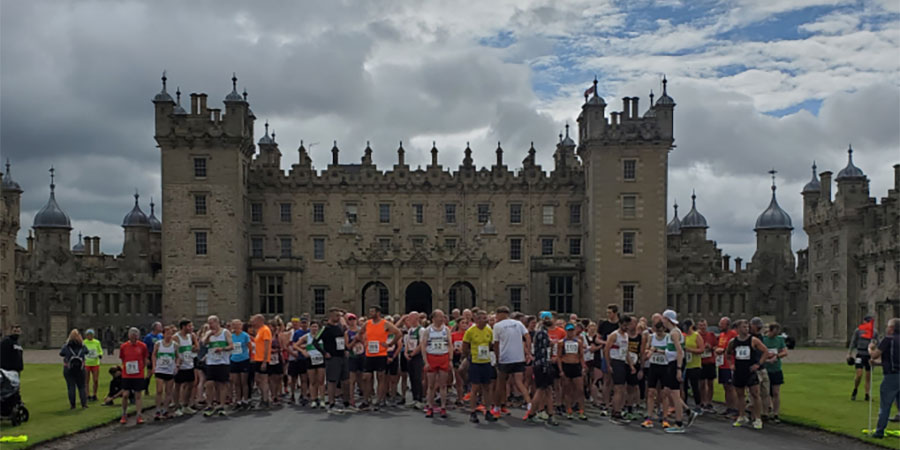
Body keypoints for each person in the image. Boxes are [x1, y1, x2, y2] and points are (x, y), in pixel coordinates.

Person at [726, 319, 770, 429]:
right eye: (743, 327)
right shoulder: (733, 341)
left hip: (750, 371)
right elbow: (728, 354)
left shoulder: (753, 340)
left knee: (755, 394)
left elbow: (765, 351)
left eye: (747, 327)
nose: (746, 329)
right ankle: (742, 416)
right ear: (738, 329)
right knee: (740, 395)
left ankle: (758, 418)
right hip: (739, 371)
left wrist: (758, 364)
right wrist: (731, 364)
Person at [357, 306, 402, 410]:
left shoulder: (385, 323)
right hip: (369, 354)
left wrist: (390, 344)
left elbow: (398, 333)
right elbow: (360, 333)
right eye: (370, 311)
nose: (370, 313)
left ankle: (380, 400)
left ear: (378, 313)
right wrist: (364, 342)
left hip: (381, 354)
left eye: (372, 311)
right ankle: (366, 399)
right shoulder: (367, 323)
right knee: (366, 377)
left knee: (381, 377)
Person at [492, 306, 533, 419]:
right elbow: (527, 336)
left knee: (500, 383)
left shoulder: (497, 326)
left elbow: (496, 343)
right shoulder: (518, 324)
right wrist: (528, 352)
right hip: (518, 358)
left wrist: (497, 357)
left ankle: (496, 408)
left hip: (505, 358)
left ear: (500, 314)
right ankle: (530, 405)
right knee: (519, 382)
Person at [313, 308, 351, 413]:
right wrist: (324, 353)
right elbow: (315, 342)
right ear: (331, 316)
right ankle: (331, 403)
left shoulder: (339, 327)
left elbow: (343, 340)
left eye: (339, 316)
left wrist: (346, 350)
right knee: (332, 381)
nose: (339, 318)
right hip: (332, 357)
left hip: (342, 356)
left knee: (346, 380)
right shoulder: (325, 329)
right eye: (336, 316)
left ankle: (346, 402)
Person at [462, 309, 496, 423]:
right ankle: (473, 411)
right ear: (477, 319)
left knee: (487, 387)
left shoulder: (489, 330)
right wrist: (468, 357)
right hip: (475, 362)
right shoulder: (471, 331)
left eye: (486, 318)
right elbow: (465, 346)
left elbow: (491, 344)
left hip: (486, 361)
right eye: (483, 318)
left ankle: (488, 410)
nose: (486, 320)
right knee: (475, 388)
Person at [867, 317, 900, 439]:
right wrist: (879, 364)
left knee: (885, 405)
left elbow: (875, 355)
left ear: (891, 328)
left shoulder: (888, 339)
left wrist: (870, 348)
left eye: (888, 326)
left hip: (891, 376)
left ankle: (879, 431)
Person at [660, 309, 687, 433]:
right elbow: (671, 350)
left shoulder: (674, 333)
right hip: (672, 363)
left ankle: (679, 422)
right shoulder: (673, 332)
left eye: (663, 319)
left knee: (675, 394)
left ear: (667, 319)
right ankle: (687, 411)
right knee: (670, 392)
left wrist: (679, 369)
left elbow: (680, 351)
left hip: (675, 364)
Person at [422, 309, 452, 418]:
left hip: (443, 356)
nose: (442, 318)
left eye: (443, 316)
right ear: (433, 318)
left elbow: (449, 344)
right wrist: (425, 361)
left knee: (443, 385)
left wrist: (450, 359)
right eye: (440, 316)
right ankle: (430, 407)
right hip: (431, 357)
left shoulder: (446, 330)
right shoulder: (428, 330)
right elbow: (423, 346)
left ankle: (443, 407)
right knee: (431, 385)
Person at [202, 315, 233, 416]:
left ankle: (222, 405)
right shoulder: (208, 333)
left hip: (222, 361)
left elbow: (231, 346)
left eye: (211, 323)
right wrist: (209, 335)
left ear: (217, 322)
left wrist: (222, 349)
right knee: (209, 383)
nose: (210, 325)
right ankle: (210, 404)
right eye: (209, 323)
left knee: (221, 384)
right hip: (211, 362)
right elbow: (203, 343)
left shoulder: (225, 332)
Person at [120, 327, 149, 425]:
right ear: (129, 336)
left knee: (138, 395)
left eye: (136, 336)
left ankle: (139, 415)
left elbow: (145, 359)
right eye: (132, 336)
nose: (134, 338)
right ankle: (124, 414)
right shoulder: (124, 346)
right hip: (127, 374)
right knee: (125, 395)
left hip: (138, 374)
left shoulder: (142, 346)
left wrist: (141, 368)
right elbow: (122, 358)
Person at [560, 322, 587, 420]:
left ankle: (581, 410)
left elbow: (581, 356)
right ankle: (569, 409)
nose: (570, 333)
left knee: (580, 389)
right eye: (569, 331)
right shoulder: (561, 342)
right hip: (566, 365)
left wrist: (583, 367)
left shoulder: (579, 342)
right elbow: (559, 356)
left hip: (576, 366)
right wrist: (561, 369)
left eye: (572, 331)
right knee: (568, 389)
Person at [761, 322, 788, 422]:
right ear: (770, 330)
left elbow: (785, 352)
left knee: (776, 392)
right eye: (774, 332)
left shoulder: (779, 340)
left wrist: (776, 356)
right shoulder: (763, 340)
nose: (776, 335)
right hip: (766, 369)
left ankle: (776, 414)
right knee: (766, 392)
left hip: (776, 368)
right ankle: (766, 411)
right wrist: (767, 359)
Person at [849, 315, 878, 401]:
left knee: (868, 376)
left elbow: (878, 343)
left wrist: (876, 352)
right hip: (860, 354)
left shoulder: (874, 332)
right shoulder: (858, 331)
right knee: (859, 374)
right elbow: (853, 342)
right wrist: (849, 353)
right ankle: (855, 389)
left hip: (869, 355)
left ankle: (867, 394)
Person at [152, 325, 177, 420]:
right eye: (167, 333)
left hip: (170, 370)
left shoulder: (174, 345)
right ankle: (158, 410)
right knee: (159, 390)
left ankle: (165, 410)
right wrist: (154, 366)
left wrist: (177, 366)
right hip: (160, 369)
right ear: (163, 334)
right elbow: (154, 355)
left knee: (168, 391)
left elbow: (178, 356)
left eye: (170, 334)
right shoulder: (158, 344)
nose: (169, 336)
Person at [173, 319, 198, 416]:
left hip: (189, 364)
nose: (191, 328)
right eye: (189, 326)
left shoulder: (191, 336)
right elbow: (174, 351)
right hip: (180, 366)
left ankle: (185, 405)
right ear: (183, 327)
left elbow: (197, 348)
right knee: (177, 386)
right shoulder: (176, 337)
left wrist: (194, 347)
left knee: (191, 384)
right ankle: (176, 407)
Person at [715, 316, 738, 417]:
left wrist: (723, 351)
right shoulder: (721, 335)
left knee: (731, 387)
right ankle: (729, 407)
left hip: (729, 365)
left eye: (722, 324)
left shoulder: (732, 334)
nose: (720, 325)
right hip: (722, 364)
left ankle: (734, 408)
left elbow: (734, 348)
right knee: (725, 387)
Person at [60, 329, 88, 409]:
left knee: (71, 387)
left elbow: (61, 353)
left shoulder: (66, 346)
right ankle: (84, 404)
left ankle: (73, 405)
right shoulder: (82, 346)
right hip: (80, 369)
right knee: (82, 386)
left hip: (68, 368)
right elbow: (87, 352)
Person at [403, 312, 425, 409]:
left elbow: (422, 344)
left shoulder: (422, 330)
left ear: (416, 319)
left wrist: (414, 353)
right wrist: (406, 353)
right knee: (411, 377)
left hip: (418, 356)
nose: (409, 320)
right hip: (410, 355)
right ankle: (414, 398)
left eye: (410, 318)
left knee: (417, 377)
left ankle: (419, 399)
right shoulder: (410, 330)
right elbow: (408, 342)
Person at [250, 314, 273, 408]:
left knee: (263, 380)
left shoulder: (265, 330)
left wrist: (264, 361)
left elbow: (267, 347)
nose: (252, 323)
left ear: (260, 320)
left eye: (254, 321)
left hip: (263, 359)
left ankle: (265, 399)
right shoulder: (259, 330)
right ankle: (263, 397)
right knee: (258, 380)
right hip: (257, 358)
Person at [682, 319, 704, 412]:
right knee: (684, 386)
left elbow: (701, 349)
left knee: (695, 386)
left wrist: (690, 350)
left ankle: (698, 404)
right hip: (686, 364)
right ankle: (685, 405)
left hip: (695, 364)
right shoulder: (684, 336)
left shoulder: (696, 335)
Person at [230, 319, 252, 409]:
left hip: (244, 360)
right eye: (234, 325)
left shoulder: (245, 336)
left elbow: (250, 347)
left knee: (244, 382)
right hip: (234, 360)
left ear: (241, 326)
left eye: (238, 325)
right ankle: (238, 400)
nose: (236, 327)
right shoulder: (231, 336)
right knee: (236, 382)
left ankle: (245, 400)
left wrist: (248, 357)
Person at [697, 319, 717, 413]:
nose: (703, 327)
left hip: (710, 361)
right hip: (700, 361)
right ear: (698, 326)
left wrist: (711, 348)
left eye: (704, 325)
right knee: (701, 383)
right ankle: (702, 401)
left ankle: (709, 402)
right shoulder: (696, 335)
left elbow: (716, 346)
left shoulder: (711, 335)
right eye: (701, 325)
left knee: (710, 383)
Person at [142, 322, 163, 395]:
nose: (161, 327)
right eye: (159, 326)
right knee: (149, 373)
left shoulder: (160, 336)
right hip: (150, 355)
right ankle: (145, 388)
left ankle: (159, 389)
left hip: (159, 355)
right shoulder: (148, 337)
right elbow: (144, 348)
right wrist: (146, 358)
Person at [82, 329, 104, 402]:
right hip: (87, 363)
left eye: (91, 335)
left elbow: (100, 350)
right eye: (88, 334)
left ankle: (95, 394)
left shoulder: (96, 342)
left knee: (95, 380)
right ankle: (87, 395)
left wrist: (100, 354)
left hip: (95, 363)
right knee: (86, 380)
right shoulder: (84, 342)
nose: (90, 336)